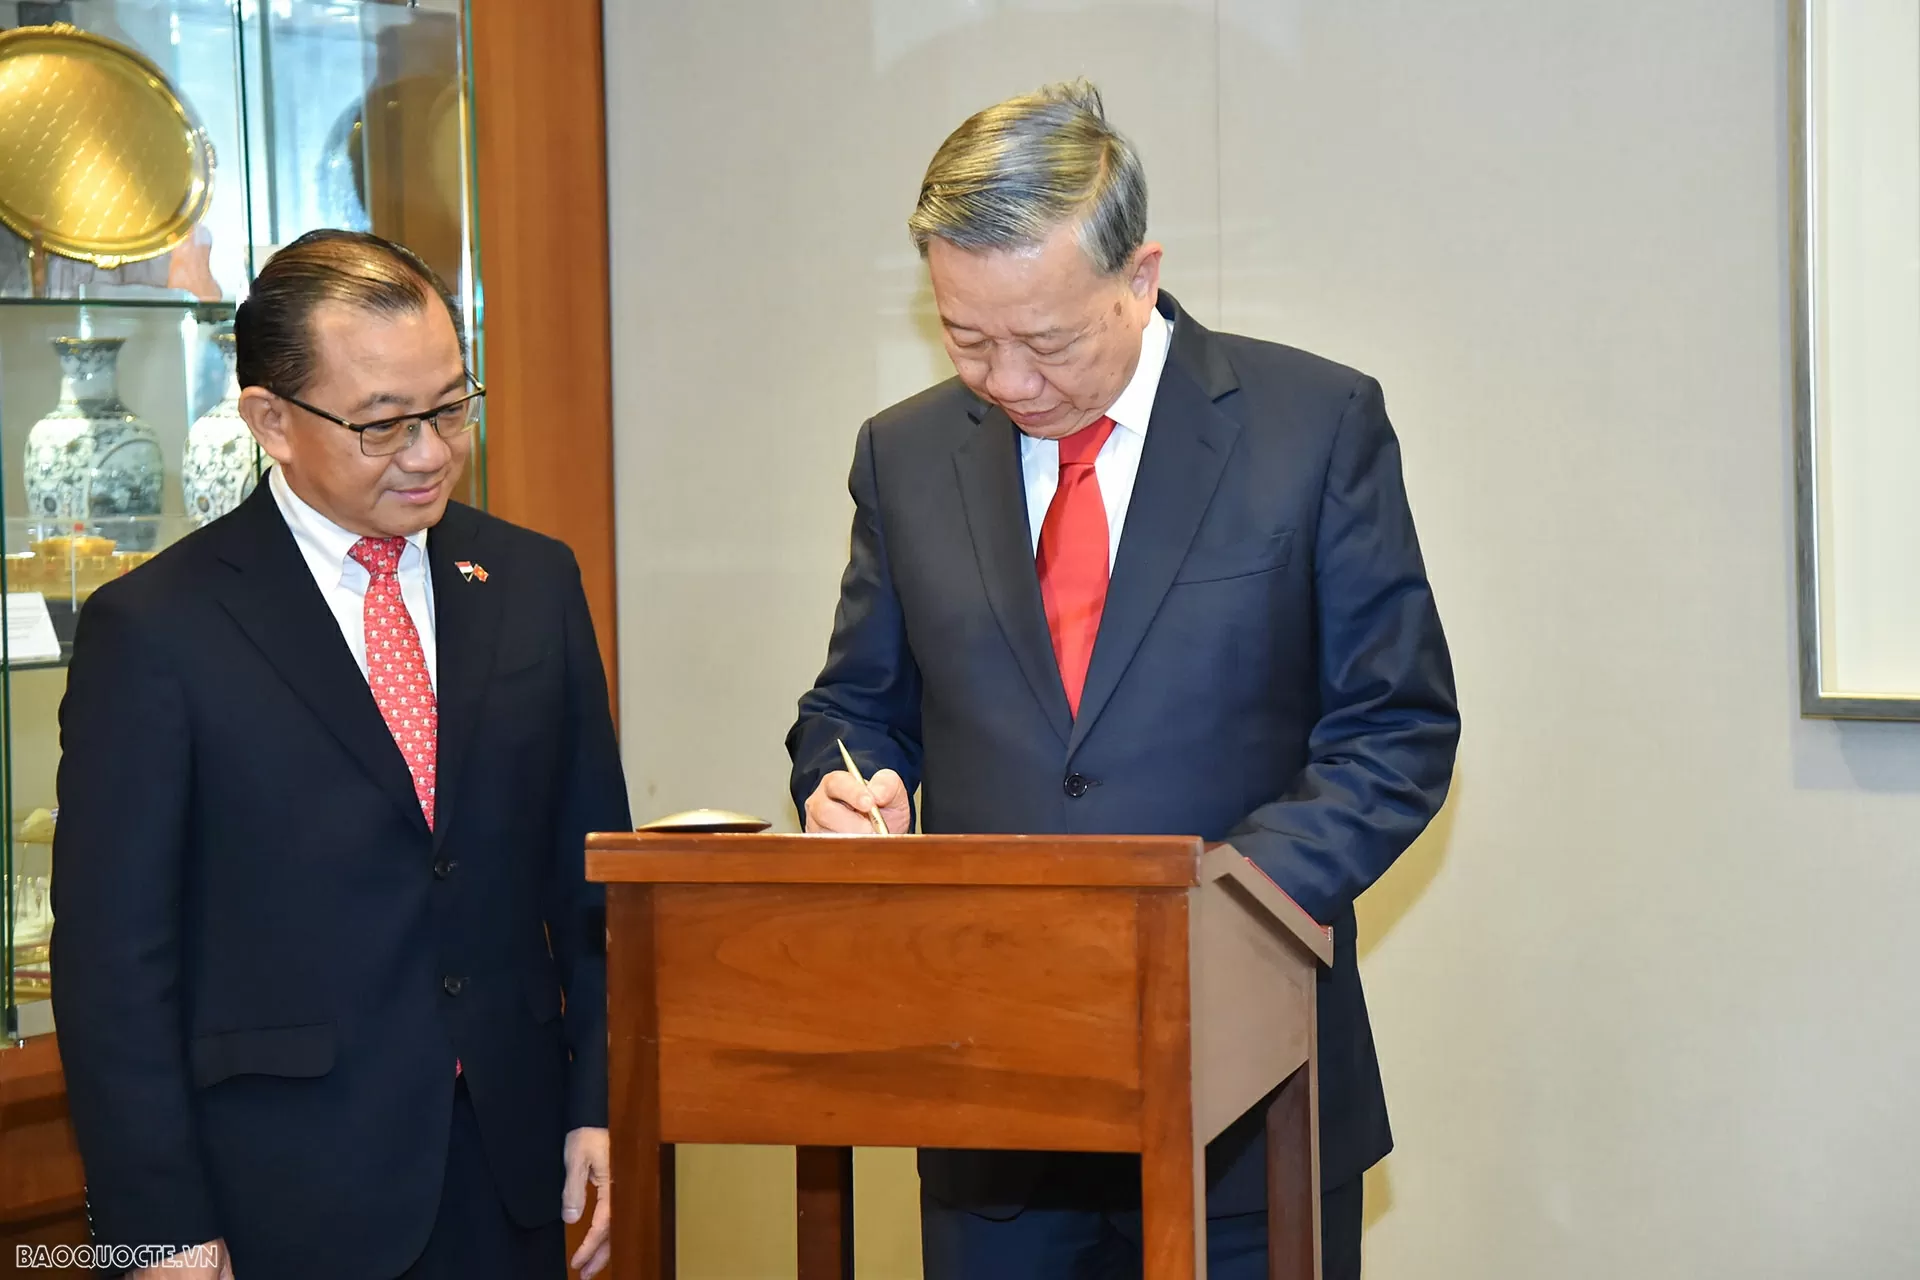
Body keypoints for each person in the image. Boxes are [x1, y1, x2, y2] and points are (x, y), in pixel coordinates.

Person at [787, 81, 1459, 1279]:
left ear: (1138, 276)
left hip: (1255, 1107)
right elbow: (855, 707)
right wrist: (851, 783)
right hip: (994, 1112)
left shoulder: (1313, 425)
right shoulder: (906, 453)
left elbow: (1393, 730)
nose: (1007, 380)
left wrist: (1220, 913)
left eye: (1046, 340)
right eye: (967, 337)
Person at [50, 229, 627, 1280]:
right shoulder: (161, 628)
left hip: (512, 1163)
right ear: (271, 419)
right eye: (382, 423)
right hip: (279, 1186)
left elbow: (591, 873)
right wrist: (153, 1219)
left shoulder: (533, 581)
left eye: (451, 407)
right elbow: (113, 963)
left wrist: (602, 1104)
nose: (430, 451)